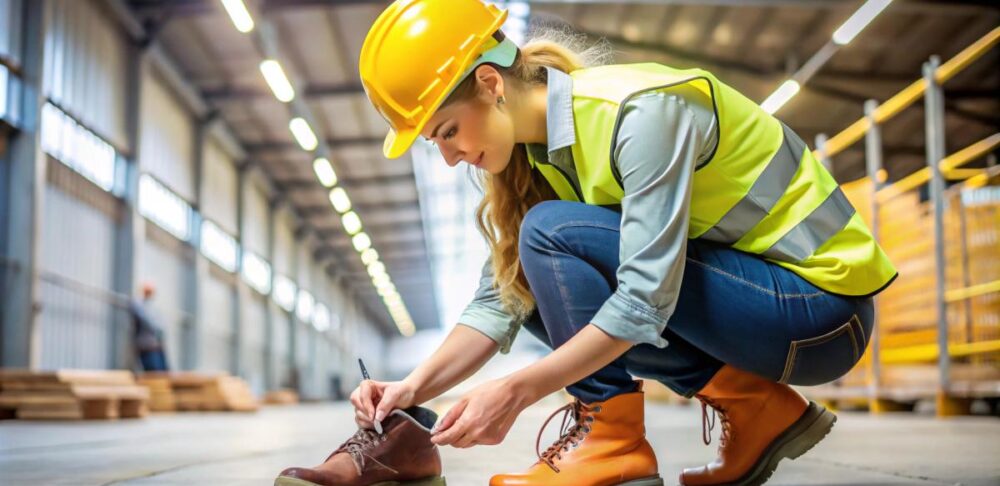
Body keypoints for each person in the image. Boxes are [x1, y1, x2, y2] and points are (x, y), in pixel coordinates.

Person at [349, 1, 897, 485]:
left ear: (491, 84)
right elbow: (500, 300)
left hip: (821, 313)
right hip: (762, 307)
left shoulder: (638, 114)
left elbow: (644, 301)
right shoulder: (540, 158)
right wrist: (411, 388)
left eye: (448, 131)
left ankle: (611, 441)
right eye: (435, 143)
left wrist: (517, 390)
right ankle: (753, 407)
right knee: (530, 281)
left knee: (545, 233)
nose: (449, 158)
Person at [129, 283, 170, 372]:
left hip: (157, 347)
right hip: (147, 347)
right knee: (153, 373)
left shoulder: (153, 307)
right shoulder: (139, 305)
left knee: (164, 372)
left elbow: (161, 326)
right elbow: (150, 323)